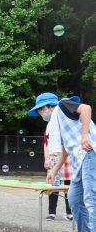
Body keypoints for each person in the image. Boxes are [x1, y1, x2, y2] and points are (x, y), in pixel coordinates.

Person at [31, 94, 96, 232]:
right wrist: (54, 170)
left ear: (45, 107)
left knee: (91, 199)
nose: (40, 115)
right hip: (80, 161)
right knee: (74, 198)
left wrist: (84, 136)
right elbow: (66, 150)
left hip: (90, 154)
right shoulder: (58, 124)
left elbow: (86, 108)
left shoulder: (62, 105)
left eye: (39, 111)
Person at [27, 92, 73, 221]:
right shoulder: (49, 125)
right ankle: (51, 212)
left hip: (68, 157)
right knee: (53, 185)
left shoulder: (63, 120)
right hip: (54, 158)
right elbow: (46, 143)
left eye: (41, 109)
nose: (41, 113)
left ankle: (70, 212)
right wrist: (47, 158)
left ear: (47, 107)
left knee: (70, 186)